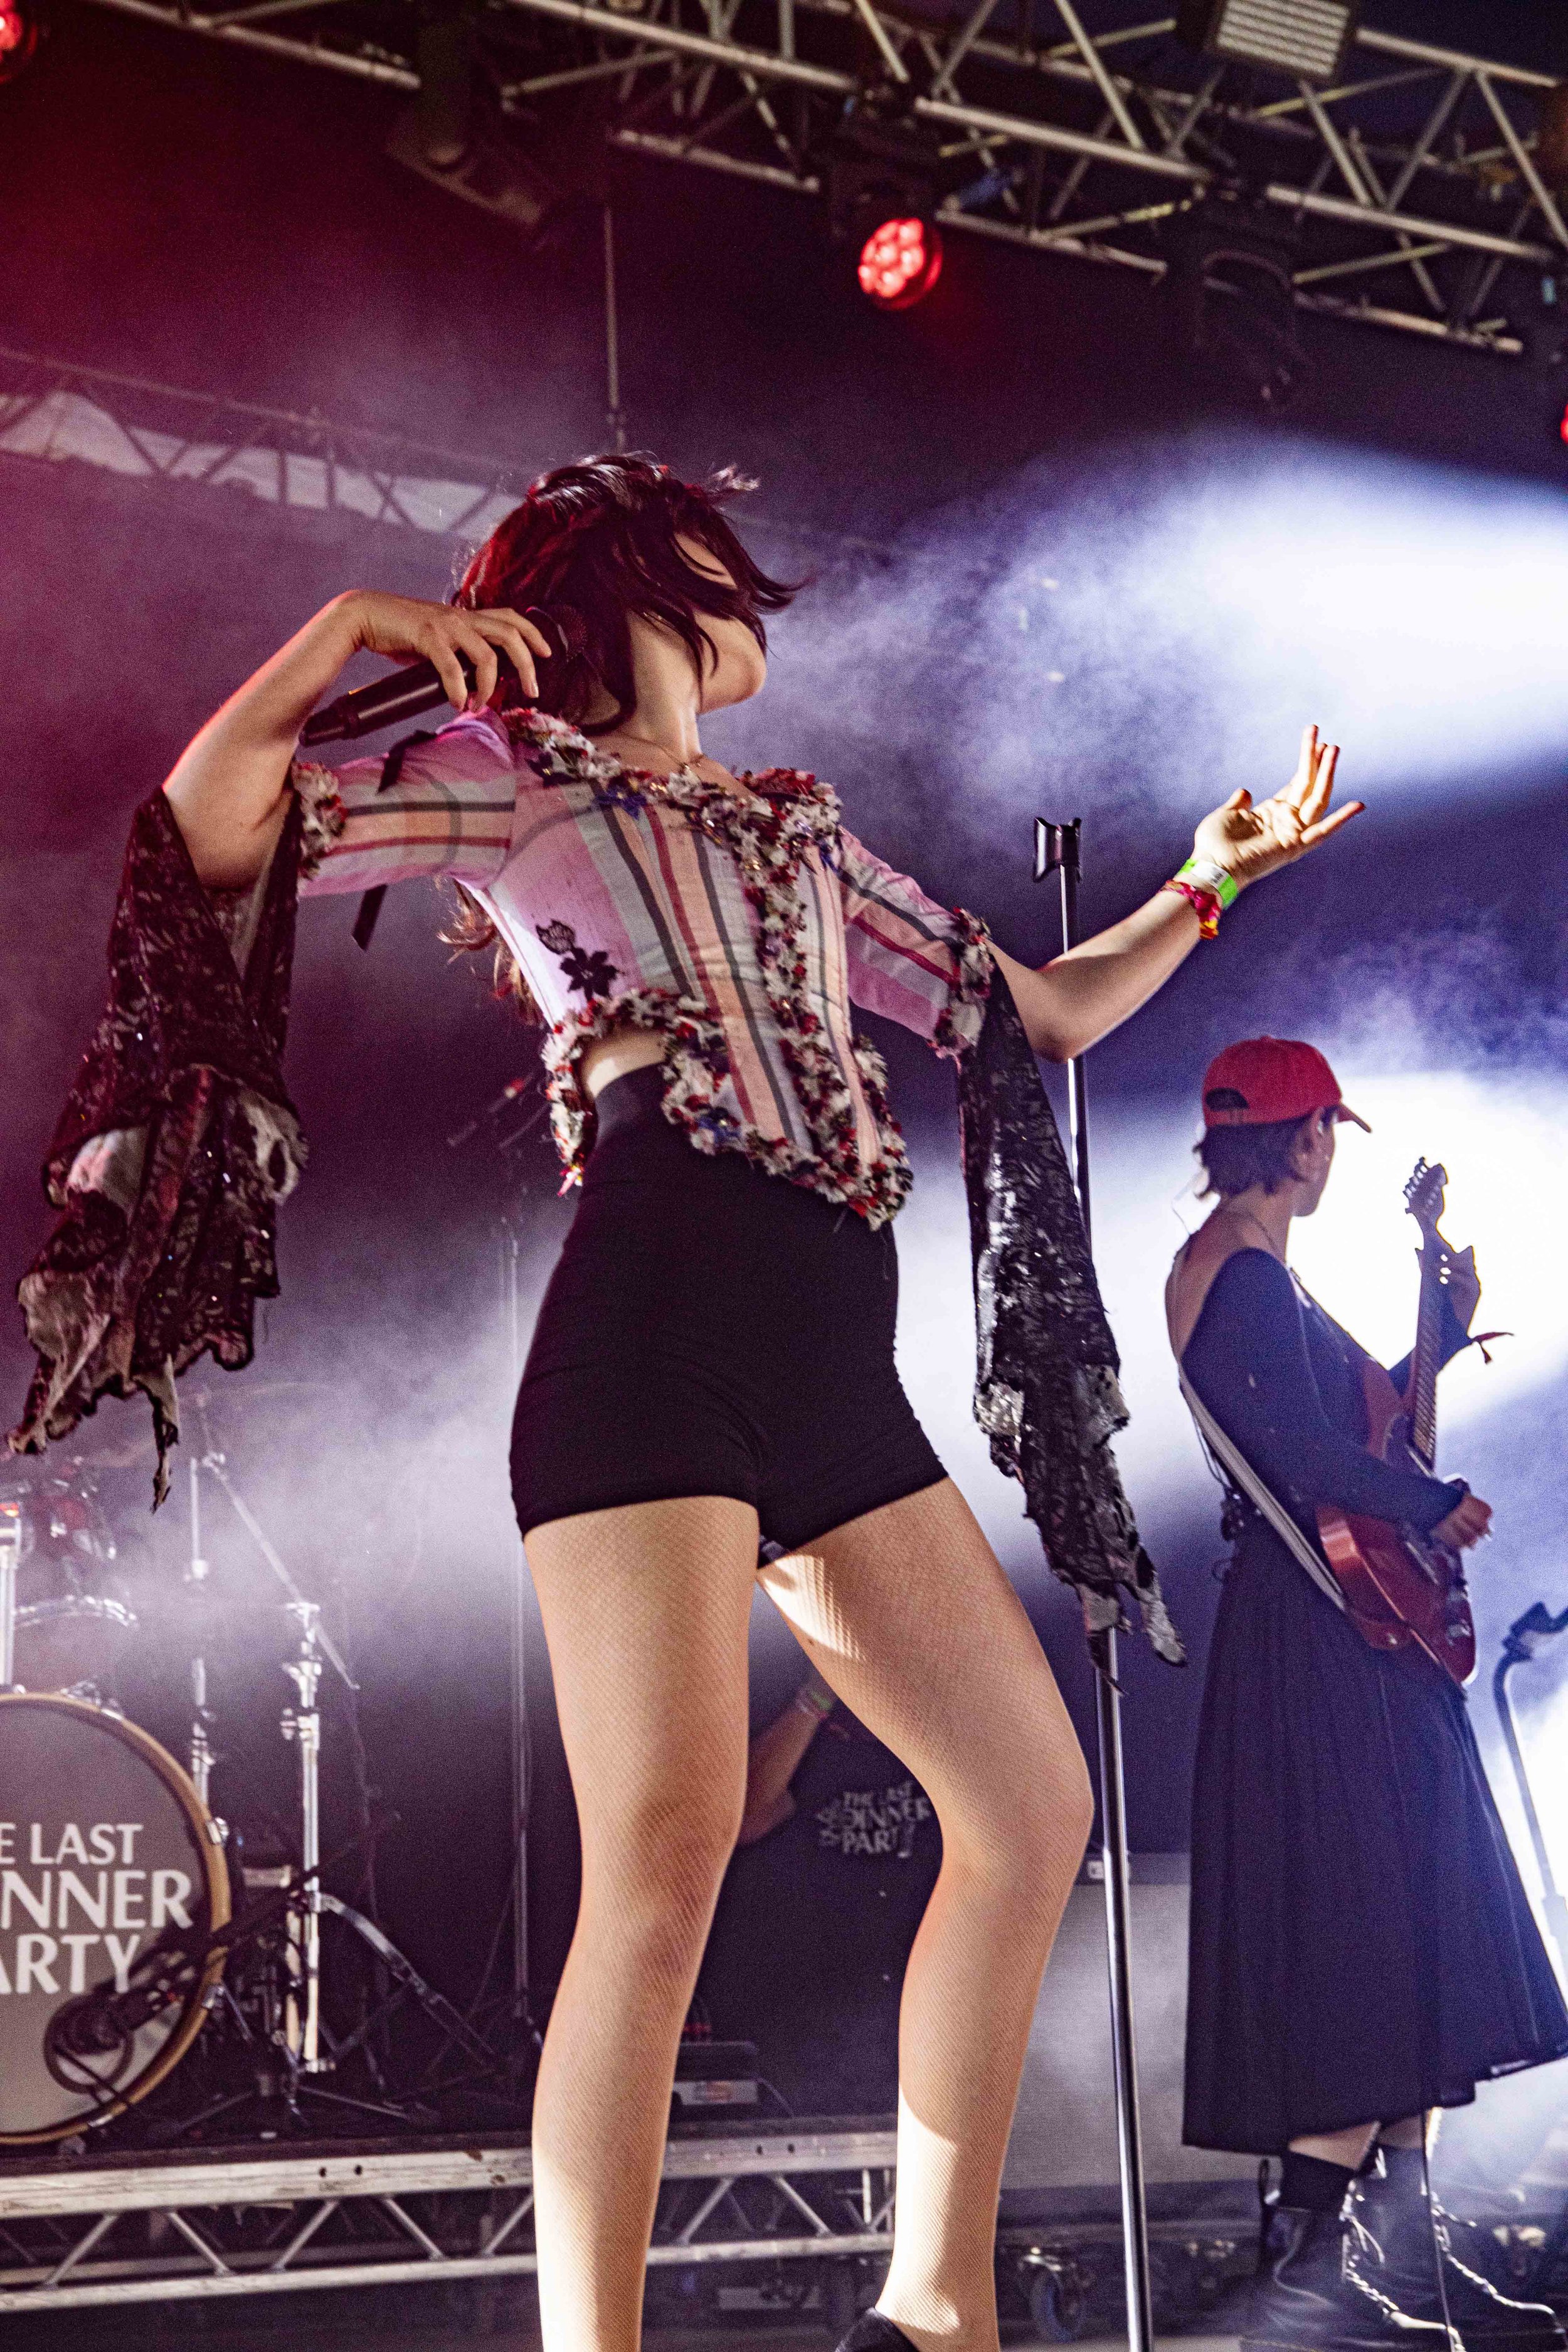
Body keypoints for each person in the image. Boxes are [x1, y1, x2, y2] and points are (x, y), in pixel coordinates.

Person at [155, 455, 1361, 2352]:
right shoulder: (519, 773)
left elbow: (1028, 1012)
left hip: (826, 1351)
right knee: (659, 1856)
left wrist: (1209, 881)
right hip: (651, 1314)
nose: (755, 623)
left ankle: (932, 2308)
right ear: (656, 575)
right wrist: (351, 632)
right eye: (731, 580)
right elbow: (211, 822)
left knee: (1026, 1797)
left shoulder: (795, 833)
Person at [1167, 1038, 1568, 2352]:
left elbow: (1360, 1416)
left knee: (1412, 1927)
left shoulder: (1260, 1276)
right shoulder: (1236, 1280)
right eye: (1323, 1130)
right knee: (1357, 1928)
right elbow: (1301, 1455)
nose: (1327, 1150)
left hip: (1350, 1637)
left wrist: (1436, 1335)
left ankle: (1399, 2257)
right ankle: (1309, 2272)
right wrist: (1430, 1501)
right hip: (1312, 1637)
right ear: (1302, 1141)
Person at [702, 1665, 942, 2117]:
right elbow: (746, 1818)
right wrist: (819, 1692)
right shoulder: (809, 1749)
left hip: (913, 2012)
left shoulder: (930, 1749)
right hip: (811, 2015)